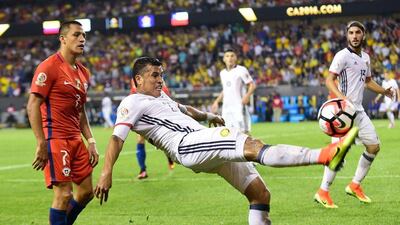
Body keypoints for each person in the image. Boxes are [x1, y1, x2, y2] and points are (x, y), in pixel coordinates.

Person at [94, 57, 358, 225]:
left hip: (202, 141)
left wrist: (211, 115)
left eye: (161, 74)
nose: (160, 79)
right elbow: (117, 139)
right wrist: (106, 173)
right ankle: (324, 155)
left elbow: (187, 109)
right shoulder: (131, 102)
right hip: (187, 144)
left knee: (260, 193)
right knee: (251, 145)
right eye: (154, 75)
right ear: (138, 79)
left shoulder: (162, 97)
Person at [314, 21, 394, 209]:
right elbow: (329, 80)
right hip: (342, 113)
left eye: (358, 32)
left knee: (374, 147)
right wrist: (342, 100)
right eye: (351, 32)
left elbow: (368, 81)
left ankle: (354, 185)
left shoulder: (366, 57)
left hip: (358, 111)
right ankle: (323, 192)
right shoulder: (342, 55)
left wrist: (384, 91)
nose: (355, 36)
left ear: (363, 35)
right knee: (337, 153)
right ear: (347, 35)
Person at [27, 21, 99, 225]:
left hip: (76, 139)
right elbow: (33, 105)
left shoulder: (84, 72)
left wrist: (91, 140)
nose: (82, 39)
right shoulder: (49, 67)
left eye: (83, 35)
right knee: (64, 194)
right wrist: (41, 142)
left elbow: (80, 110)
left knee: (86, 192)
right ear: (63, 39)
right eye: (76, 35)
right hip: (55, 138)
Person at [130, 80, 175, 179]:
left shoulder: (158, 81)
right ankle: (143, 170)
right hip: (143, 115)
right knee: (140, 140)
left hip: (158, 114)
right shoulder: (135, 81)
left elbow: (166, 95)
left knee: (162, 141)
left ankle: (169, 157)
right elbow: (133, 99)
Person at [211, 49, 256, 134]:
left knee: (244, 133)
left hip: (238, 106)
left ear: (235, 58)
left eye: (232, 56)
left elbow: (252, 85)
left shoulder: (241, 70)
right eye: (227, 56)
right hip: (226, 108)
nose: (230, 58)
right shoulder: (222, 73)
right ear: (224, 59)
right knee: (227, 133)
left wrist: (247, 96)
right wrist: (216, 102)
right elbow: (225, 90)